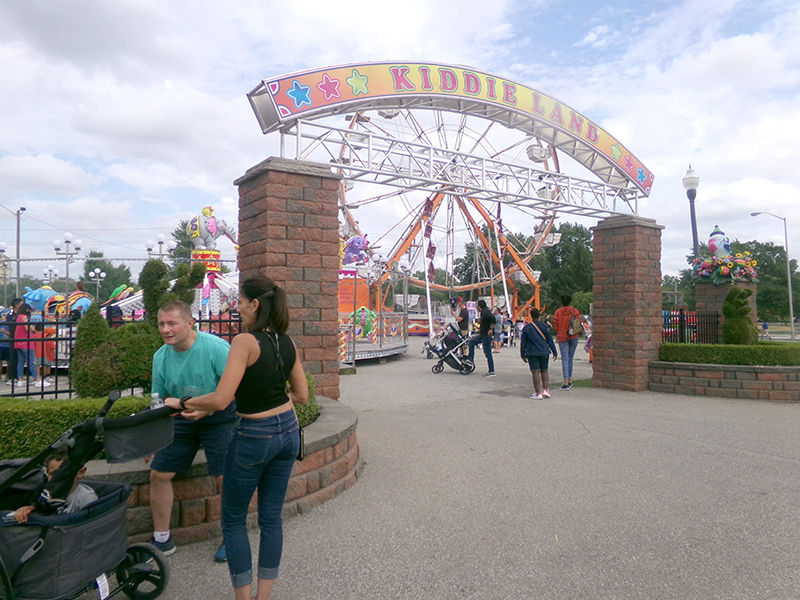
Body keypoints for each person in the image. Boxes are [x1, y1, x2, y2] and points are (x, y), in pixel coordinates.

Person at [164, 276, 308, 600]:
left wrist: (184, 403)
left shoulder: (245, 341)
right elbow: (301, 394)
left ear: (255, 304)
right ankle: (263, 597)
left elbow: (219, 399)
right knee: (271, 518)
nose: (237, 308)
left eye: (240, 302)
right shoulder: (287, 342)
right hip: (287, 431)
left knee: (233, 520)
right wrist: (271, 391)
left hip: (254, 435)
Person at [148, 301, 234, 562]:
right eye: (162, 324)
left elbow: (234, 389)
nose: (166, 329)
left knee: (224, 476)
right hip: (181, 417)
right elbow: (158, 399)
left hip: (220, 414)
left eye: (172, 323)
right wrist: (152, 440)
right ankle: (162, 539)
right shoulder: (160, 356)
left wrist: (205, 409)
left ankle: (231, 537)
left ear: (189, 323)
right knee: (158, 474)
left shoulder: (216, 348)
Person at [11, 448, 98, 522]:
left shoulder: (85, 497)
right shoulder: (45, 492)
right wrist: (26, 509)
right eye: (51, 474)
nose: (54, 479)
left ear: (80, 473)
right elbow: (37, 507)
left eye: (60, 475)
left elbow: (90, 526)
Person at [519, 308, 558, 399]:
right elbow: (550, 341)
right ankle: (545, 390)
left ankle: (537, 393)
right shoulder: (545, 326)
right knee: (544, 370)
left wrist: (522, 354)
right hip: (544, 351)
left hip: (532, 352)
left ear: (531, 316)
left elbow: (523, 342)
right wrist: (554, 352)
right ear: (539, 316)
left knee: (535, 371)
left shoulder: (527, 327)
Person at [13, 303, 49, 388]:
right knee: (32, 361)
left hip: (18, 342)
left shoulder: (18, 317)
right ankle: (37, 379)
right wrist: (32, 328)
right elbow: (27, 328)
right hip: (26, 343)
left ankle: (20, 379)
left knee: (20, 362)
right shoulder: (24, 317)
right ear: (27, 310)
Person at [553, 295, 582, 390]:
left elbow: (556, 327)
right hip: (574, 336)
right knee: (570, 358)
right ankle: (569, 379)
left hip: (562, 337)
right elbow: (579, 322)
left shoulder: (558, 312)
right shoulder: (575, 311)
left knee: (565, 359)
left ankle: (565, 382)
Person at [466, 299, 496, 377]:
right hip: (482, 334)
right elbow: (485, 323)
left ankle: (492, 371)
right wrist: (479, 330)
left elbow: (493, 319)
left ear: (479, 306)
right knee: (471, 342)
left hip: (486, 335)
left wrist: (491, 329)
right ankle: (470, 359)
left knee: (488, 353)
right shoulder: (484, 312)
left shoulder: (486, 312)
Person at [4, 299, 22, 383]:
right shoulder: (11, 315)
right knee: (13, 357)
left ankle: (19, 376)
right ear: (17, 305)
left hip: (21, 338)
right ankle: (12, 376)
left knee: (20, 358)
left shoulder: (22, 314)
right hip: (13, 338)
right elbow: (10, 326)